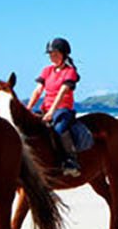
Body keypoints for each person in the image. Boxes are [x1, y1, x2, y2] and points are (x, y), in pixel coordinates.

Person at [28, 37, 81, 174]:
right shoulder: (46, 71)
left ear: (64, 54)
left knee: (58, 129)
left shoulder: (70, 72)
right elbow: (38, 90)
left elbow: (62, 92)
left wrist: (51, 111)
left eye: (56, 54)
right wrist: (28, 108)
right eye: (51, 54)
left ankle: (70, 161)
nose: (52, 57)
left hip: (63, 109)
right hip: (45, 109)